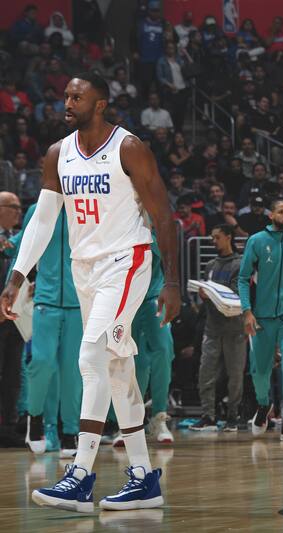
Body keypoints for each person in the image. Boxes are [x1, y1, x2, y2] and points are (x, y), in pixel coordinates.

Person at [0, 72, 180, 512]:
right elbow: (42, 221)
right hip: (84, 268)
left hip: (126, 261)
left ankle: (79, 475)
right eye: (65, 96)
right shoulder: (58, 154)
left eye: (77, 97)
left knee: (90, 356)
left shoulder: (128, 147)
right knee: (117, 367)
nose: (68, 102)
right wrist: (16, 277)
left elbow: (163, 215)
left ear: (100, 104)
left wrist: (173, 281)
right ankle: (144, 479)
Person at [12, 203, 82, 458]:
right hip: (45, 299)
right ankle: (37, 417)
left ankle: (70, 431)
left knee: (72, 370)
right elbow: (23, 251)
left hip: (80, 301)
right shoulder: (39, 209)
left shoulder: (87, 204)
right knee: (42, 362)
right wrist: (12, 287)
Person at [239, 198, 283, 442]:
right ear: (271, 215)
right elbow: (243, 278)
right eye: (281, 211)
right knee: (259, 369)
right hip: (261, 315)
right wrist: (247, 311)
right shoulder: (256, 241)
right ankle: (263, 404)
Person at [191, 225, 246, 431]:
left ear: (229, 237)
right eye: (212, 238)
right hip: (212, 327)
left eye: (217, 237)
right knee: (205, 373)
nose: (213, 241)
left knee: (235, 375)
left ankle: (233, 416)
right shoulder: (210, 265)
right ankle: (208, 416)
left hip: (235, 328)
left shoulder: (240, 264)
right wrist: (204, 294)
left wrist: (212, 292)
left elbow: (236, 293)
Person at [130, 233, 175, 444]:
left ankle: (159, 416)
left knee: (164, 349)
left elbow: (168, 256)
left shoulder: (154, 226)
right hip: (124, 299)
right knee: (135, 361)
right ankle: (131, 421)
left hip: (153, 296)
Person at [0, 192, 23, 433]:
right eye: (12, 206)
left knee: (13, 373)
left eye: (19, 207)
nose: (18, 211)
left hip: (15, 316)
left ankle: (9, 425)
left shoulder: (19, 240)